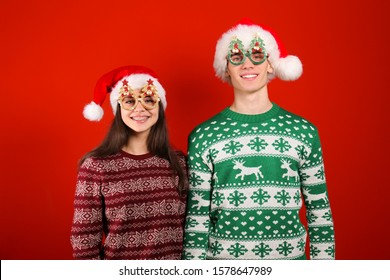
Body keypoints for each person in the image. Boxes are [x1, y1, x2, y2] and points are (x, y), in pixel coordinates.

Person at [182, 18, 335, 260]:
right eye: (236, 57)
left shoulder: (303, 131)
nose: (246, 64)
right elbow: (197, 218)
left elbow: (319, 211)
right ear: (226, 68)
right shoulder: (203, 136)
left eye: (256, 55)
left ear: (271, 64)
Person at [70, 65, 188, 259]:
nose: (139, 108)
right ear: (118, 108)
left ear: (159, 107)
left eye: (149, 100)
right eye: (129, 101)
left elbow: (189, 228)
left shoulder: (178, 163)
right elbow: (84, 241)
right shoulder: (96, 167)